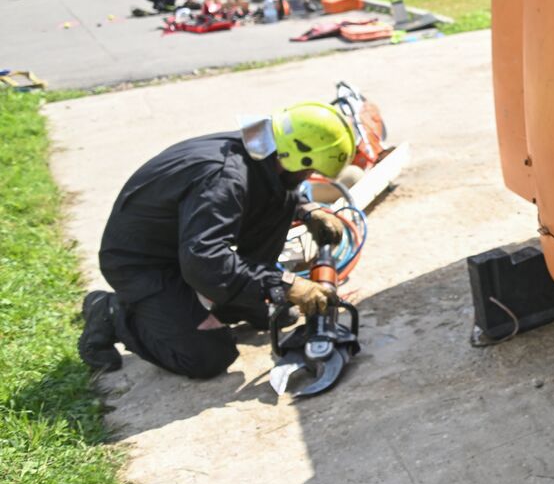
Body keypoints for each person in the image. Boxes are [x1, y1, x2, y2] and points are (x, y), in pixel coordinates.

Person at [78, 103, 357, 379]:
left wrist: (307, 209)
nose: (308, 178)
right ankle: (112, 312)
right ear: (298, 157)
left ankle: (238, 304)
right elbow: (204, 259)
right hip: (141, 263)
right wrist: (283, 283)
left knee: (282, 201)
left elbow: (270, 188)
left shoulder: (262, 152)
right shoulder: (224, 177)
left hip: (182, 244)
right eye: (308, 171)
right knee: (208, 356)